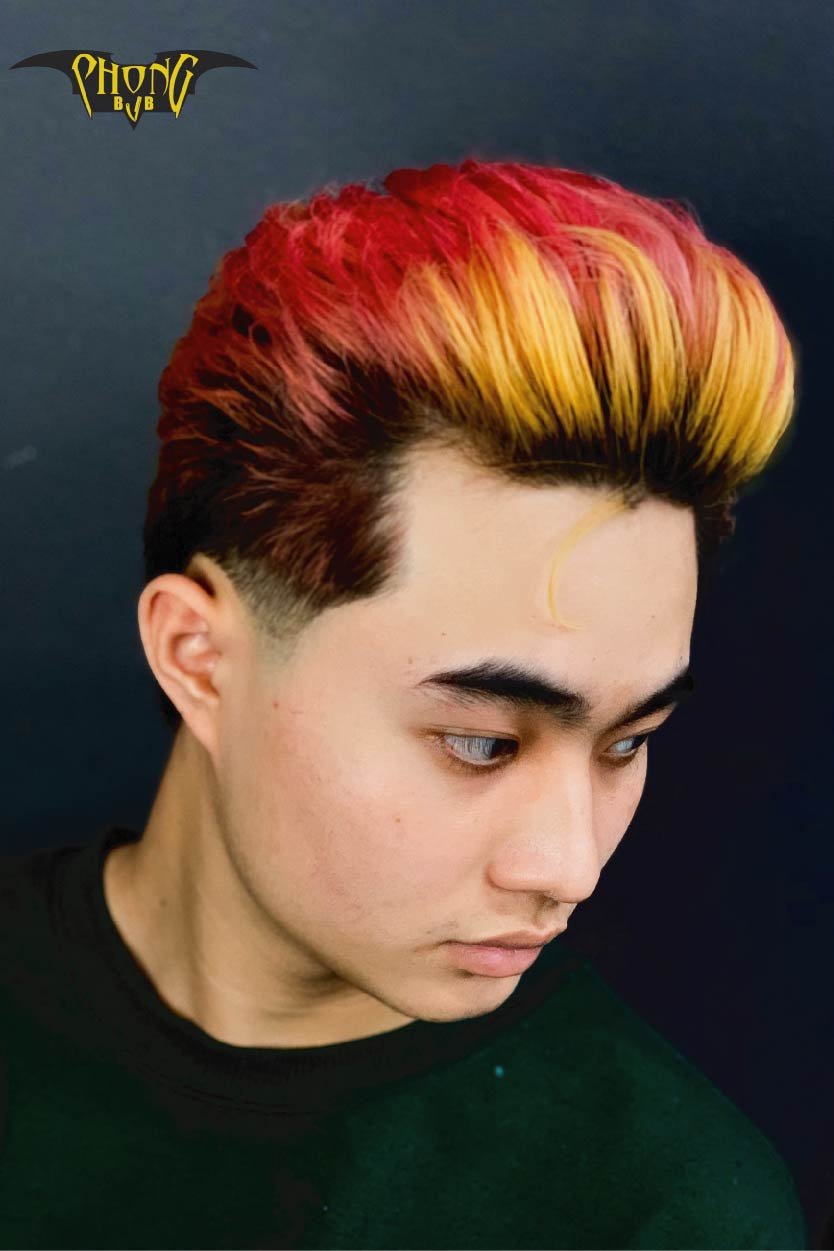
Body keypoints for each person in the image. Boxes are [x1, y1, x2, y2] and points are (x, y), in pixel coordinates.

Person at [0, 158, 806, 1249]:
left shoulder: (666, 1210)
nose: (569, 867)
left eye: (627, 743)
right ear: (199, 657)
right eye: (479, 741)